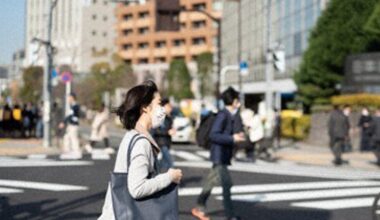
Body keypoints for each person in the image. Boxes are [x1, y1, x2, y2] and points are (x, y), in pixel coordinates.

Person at [98, 81, 183, 220]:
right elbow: (137, 188)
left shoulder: (132, 135)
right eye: (159, 103)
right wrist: (169, 177)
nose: (162, 109)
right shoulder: (142, 143)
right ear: (145, 108)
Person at [192, 87, 245, 220]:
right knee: (227, 185)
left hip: (223, 155)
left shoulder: (232, 114)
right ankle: (230, 216)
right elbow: (213, 135)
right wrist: (232, 138)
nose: (239, 101)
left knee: (210, 182)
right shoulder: (223, 115)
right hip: (219, 155)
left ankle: (199, 207)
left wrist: (237, 135)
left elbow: (235, 127)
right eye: (237, 99)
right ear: (233, 101)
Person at [151, 98, 175, 171]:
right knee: (170, 163)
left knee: (162, 164)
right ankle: (170, 180)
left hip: (166, 143)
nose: (170, 108)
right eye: (168, 106)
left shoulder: (169, 117)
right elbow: (155, 130)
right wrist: (167, 132)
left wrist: (172, 131)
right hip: (161, 143)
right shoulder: (160, 117)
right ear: (163, 107)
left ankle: (159, 178)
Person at [60, 93, 82, 160]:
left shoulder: (75, 106)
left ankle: (77, 152)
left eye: (69, 97)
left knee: (73, 138)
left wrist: (63, 122)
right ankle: (67, 151)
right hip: (71, 125)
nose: (68, 99)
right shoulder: (72, 106)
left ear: (72, 98)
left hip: (73, 125)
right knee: (67, 137)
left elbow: (69, 115)